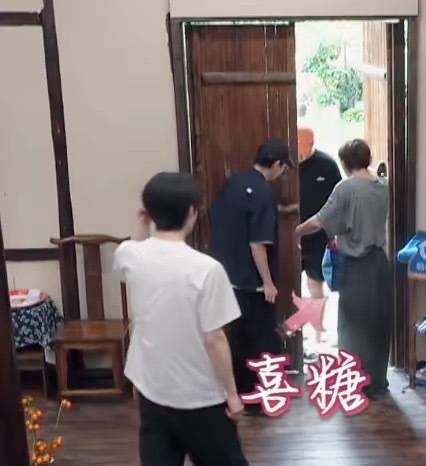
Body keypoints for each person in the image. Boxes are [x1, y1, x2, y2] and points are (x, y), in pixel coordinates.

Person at [114, 172, 248, 466]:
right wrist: (232, 393)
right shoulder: (207, 269)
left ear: (148, 213)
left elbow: (134, 251)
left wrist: (143, 224)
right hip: (201, 396)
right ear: (192, 213)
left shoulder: (129, 254)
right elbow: (214, 338)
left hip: (152, 389)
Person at [295, 139, 392, 399]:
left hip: (357, 266)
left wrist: (297, 231)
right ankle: (377, 382)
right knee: (378, 325)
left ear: (345, 163)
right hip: (380, 265)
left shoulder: (346, 188)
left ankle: (355, 383)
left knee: (352, 326)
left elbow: (321, 221)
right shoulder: (383, 186)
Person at [209, 139, 293, 410]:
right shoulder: (264, 194)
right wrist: (268, 282)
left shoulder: (233, 183)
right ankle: (261, 400)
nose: (283, 173)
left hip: (227, 276)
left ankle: (239, 394)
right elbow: (257, 243)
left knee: (237, 338)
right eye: (284, 167)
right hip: (252, 282)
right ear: (277, 164)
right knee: (262, 339)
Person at [297, 127, 342, 299]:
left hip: (318, 235)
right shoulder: (284, 164)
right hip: (291, 234)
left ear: (311, 143)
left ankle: (317, 316)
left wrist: (335, 233)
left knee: (315, 282)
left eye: (302, 145)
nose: (297, 150)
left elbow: (339, 201)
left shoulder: (327, 165)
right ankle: (293, 316)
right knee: (288, 283)